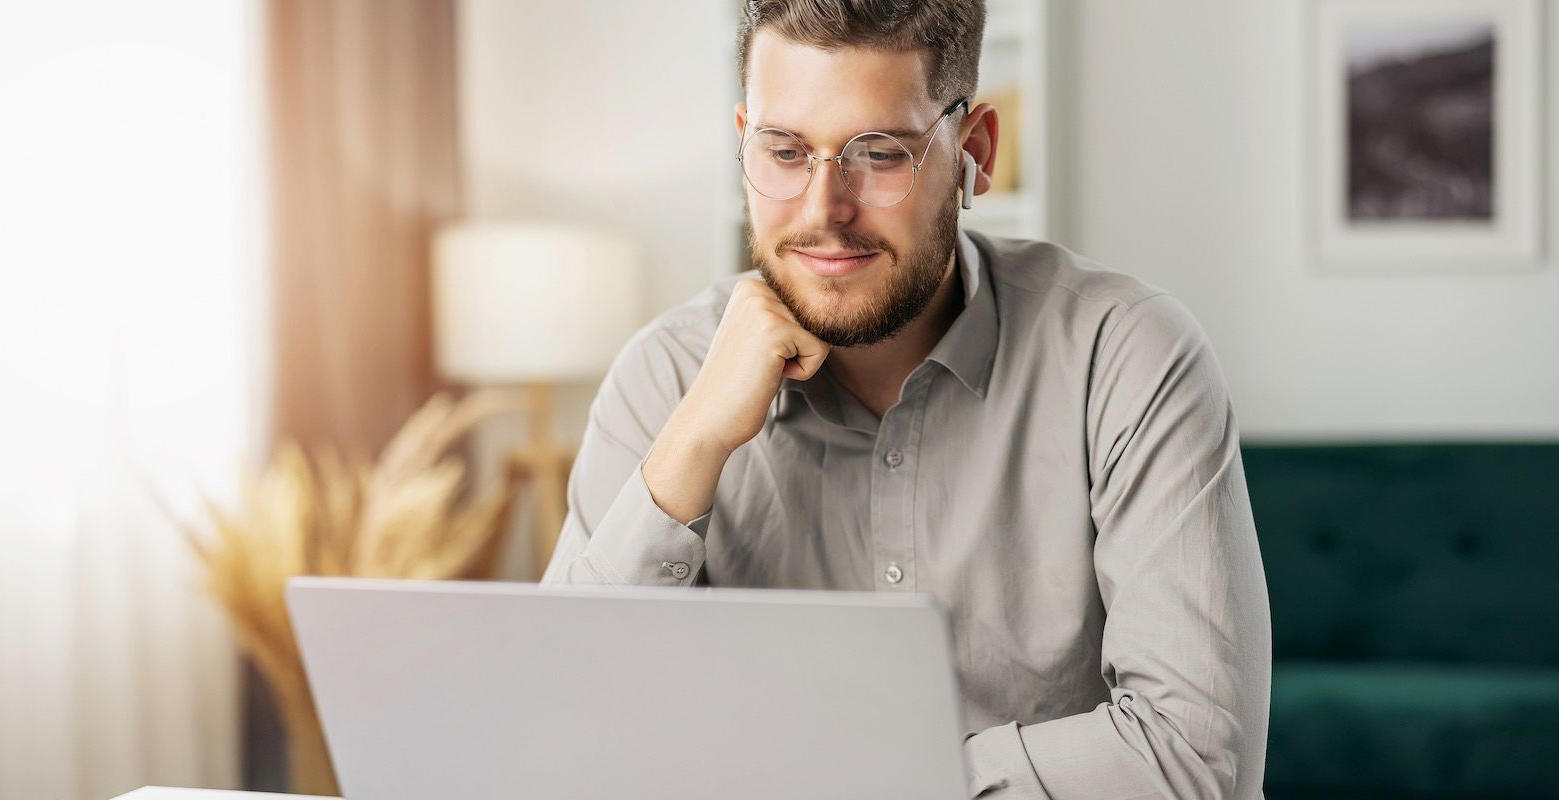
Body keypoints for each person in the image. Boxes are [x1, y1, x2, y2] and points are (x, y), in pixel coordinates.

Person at [541, 1, 1272, 797]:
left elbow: (1195, 761)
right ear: (744, 139)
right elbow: (561, 733)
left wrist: (865, 777)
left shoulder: (1127, 357)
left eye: (879, 153)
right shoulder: (663, 377)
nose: (824, 211)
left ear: (975, 153)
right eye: (785, 152)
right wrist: (691, 448)